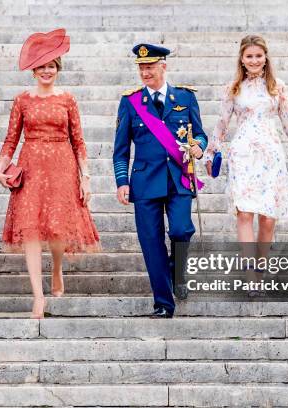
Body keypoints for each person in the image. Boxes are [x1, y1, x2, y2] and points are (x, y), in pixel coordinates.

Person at [0, 28, 100, 319]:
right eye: (41, 66)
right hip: (30, 169)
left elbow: (78, 141)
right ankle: (38, 296)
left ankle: (56, 269)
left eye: (51, 66)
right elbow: (10, 138)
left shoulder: (67, 99)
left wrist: (86, 177)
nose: (46, 71)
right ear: (33, 70)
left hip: (62, 167)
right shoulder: (22, 100)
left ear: (58, 69)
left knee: (56, 229)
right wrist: (0, 166)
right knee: (30, 229)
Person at [204, 34, 288, 297]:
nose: (254, 60)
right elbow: (221, 124)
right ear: (242, 58)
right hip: (242, 154)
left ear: (266, 58)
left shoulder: (278, 87)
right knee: (244, 214)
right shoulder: (233, 88)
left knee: (268, 219)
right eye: (249, 56)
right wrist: (210, 152)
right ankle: (251, 277)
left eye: (258, 56)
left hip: (271, 155)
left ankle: (260, 269)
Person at [113, 43, 208, 318]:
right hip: (144, 183)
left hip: (179, 178)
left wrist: (198, 147)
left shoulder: (185, 97)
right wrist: (122, 182)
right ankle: (164, 303)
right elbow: (120, 150)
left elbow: (200, 135)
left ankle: (177, 272)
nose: (145, 72)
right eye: (141, 67)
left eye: (150, 66)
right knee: (151, 242)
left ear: (163, 66)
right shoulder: (130, 102)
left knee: (181, 230)